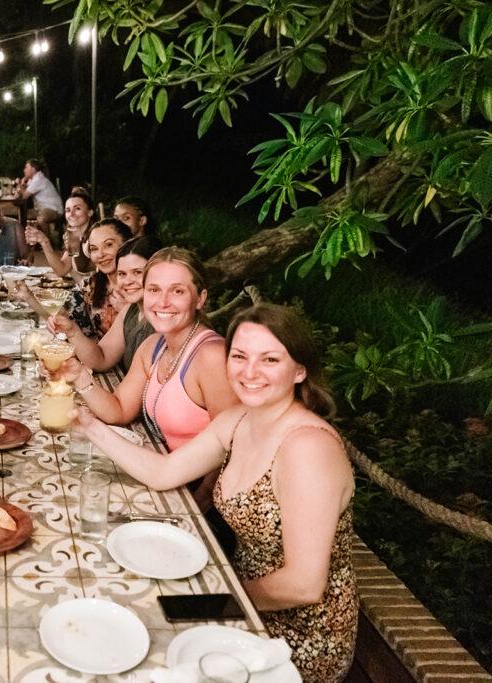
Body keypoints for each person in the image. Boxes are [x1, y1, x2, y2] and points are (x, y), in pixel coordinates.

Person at [71, 303, 357, 681]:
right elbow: (164, 472)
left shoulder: (308, 447)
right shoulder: (239, 419)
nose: (250, 372)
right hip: (241, 598)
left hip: (292, 641)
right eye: (239, 356)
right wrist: (90, 427)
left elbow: (303, 584)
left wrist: (215, 599)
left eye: (270, 359)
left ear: (300, 370)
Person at [58, 246, 238, 508]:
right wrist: (79, 377)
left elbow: (231, 451)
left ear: (200, 299)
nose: (162, 301)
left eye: (177, 291)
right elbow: (118, 410)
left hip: (201, 497)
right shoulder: (154, 345)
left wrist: (195, 513)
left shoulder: (211, 357)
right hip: (163, 475)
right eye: (154, 290)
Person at [47, 236, 158, 372]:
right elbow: (101, 359)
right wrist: (72, 331)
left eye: (137, 272)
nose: (128, 281)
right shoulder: (130, 311)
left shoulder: (164, 319)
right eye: (122, 273)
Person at [26, 189, 96, 277]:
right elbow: (61, 270)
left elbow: (84, 269)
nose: (71, 214)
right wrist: (44, 242)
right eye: (68, 210)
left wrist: (76, 245)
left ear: (90, 212)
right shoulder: (74, 235)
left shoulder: (96, 237)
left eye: (77, 208)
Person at [14, 158, 63, 234]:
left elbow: (24, 196)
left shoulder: (38, 180)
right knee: (22, 215)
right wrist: (22, 184)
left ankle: (47, 241)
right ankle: (28, 238)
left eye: (26, 167)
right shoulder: (33, 179)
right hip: (41, 208)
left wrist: (20, 184)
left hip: (53, 209)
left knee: (40, 219)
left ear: (33, 169)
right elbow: (26, 189)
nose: (24, 170)